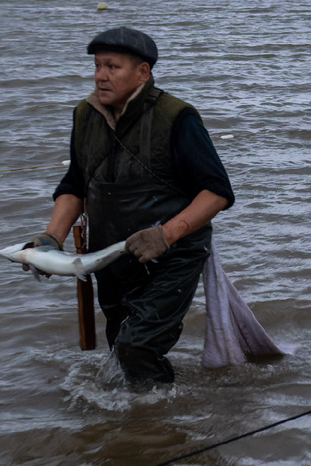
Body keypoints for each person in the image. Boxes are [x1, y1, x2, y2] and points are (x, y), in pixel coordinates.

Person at [25, 26, 234, 386]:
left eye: (113, 67)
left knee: (136, 347)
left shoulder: (177, 117)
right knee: (120, 352)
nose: (101, 76)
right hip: (110, 256)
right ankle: (143, 416)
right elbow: (75, 186)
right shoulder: (84, 115)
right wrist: (50, 239)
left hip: (172, 256)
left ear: (142, 72)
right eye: (97, 66)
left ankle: (164, 415)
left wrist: (165, 235)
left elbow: (217, 192)